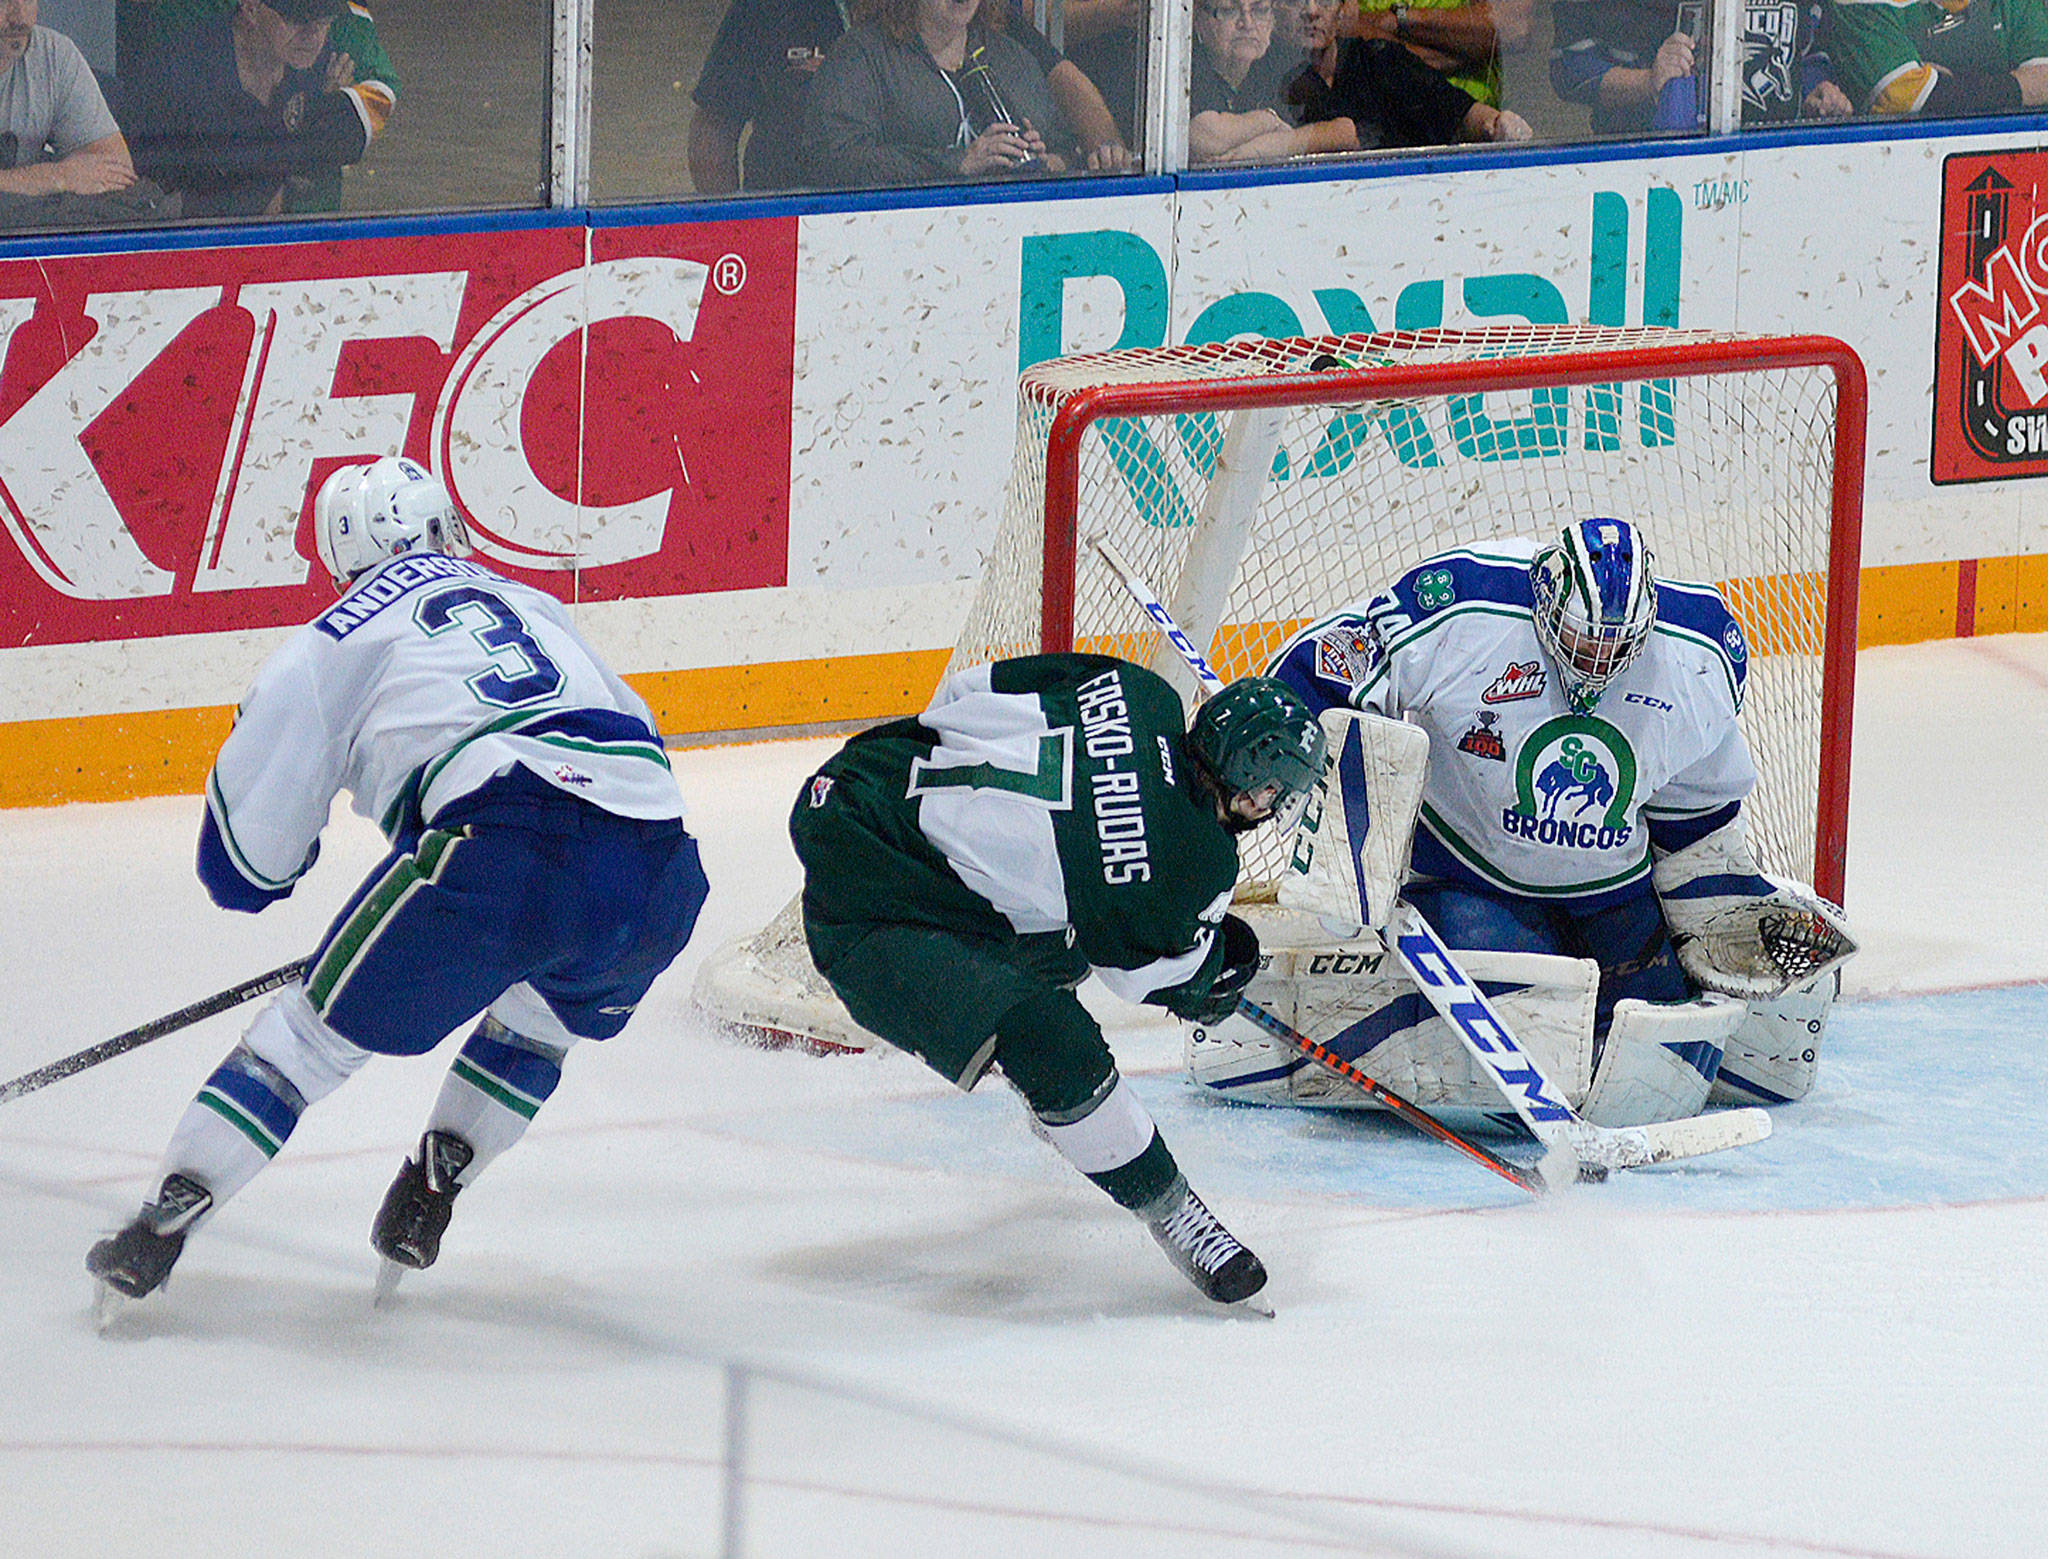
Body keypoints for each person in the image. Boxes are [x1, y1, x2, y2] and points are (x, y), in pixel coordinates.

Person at [86, 456, 710, 1304]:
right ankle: (436, 1180)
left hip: (502, 847)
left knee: (311, 1038)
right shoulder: (533, 603)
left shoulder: (332, 639)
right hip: (661, 868)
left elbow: (242, 869)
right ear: (440, 527)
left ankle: (164, 1219)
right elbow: (638, 739)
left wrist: (320, 865)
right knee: (538, 1022)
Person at [1193, 518, 1853, 1124]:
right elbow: (1329, 665)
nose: (1598, 659)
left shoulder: (1698, 655)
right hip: (1470, 874)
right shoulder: (1459, 607)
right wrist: (1283, 734)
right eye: (1581, 637)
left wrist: (1712, 890)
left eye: (1616, 643)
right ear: (1543, 604)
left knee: (1664, 1057)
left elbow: (1695, 801)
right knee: (1528, 1037)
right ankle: (1355, 1027)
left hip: (1611, 889)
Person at [787, 658, 1327, 1305]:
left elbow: (969, 690)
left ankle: (1063, 1105)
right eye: (1276, 793)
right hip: (868, 916)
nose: (1272, 807)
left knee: (1069, 932)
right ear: (1253, 788)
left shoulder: (1141, 690)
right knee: (1055, 1041)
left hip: (857, 785)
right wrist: (1217, 976)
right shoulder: (1198, 859)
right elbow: (1147, 978)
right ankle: (1171, 1209)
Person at [693, 0, 1125, 193]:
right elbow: (713, 133)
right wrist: (736, 234)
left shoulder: (999, 43)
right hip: (806, 227)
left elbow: (1066, 93)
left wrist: (1071, 160)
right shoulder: (771, 12)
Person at [116, 0, 398, 211]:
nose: (314, 33)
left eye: (325, 18)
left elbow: (368, 108)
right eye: (296, 17)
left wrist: (325, 112)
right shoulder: (186, 65)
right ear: (250, 8)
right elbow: (227, 196)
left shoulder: (329, 54)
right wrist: (308, 133)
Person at [801, 0, 1084, 187]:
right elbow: (834, 160)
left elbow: (1070, 154)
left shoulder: (1013, 58)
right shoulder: (861, 55)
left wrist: (1045, 162)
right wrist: (958, 162)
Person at [1550, 0, 1850, 132]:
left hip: (1779, 169)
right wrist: (1646, 82)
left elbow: (1810, 49)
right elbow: (1570, 66)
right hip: (1652, 177)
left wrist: (1816, 94)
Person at [1283, 0, 1532, 146]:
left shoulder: (1382, 59)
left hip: (1460, 160)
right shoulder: (1375, 58)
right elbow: (1351, 28)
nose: (1312, 10)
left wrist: (1497, 123)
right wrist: (1463, 48)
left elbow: (1507, 30)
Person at [0, 0, 138, 198]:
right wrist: (57, 177)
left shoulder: (53, 54)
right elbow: (62, 177)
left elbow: (116, 169)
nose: (19, 18)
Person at [1188, 0, 1351, 162]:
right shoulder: (1184, 64)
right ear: (1198, 19)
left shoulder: (1283, 62)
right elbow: (1205, 137)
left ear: (1272, 20)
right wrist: (1267, 121)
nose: (1247, 24)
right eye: (1229, 11)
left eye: (1259, 11)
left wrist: (1282, 144)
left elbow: (1346, 131)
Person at [1828, 0, 2048, 116]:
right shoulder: (1860, 3)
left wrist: (1947, 85)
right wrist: (2014, 84)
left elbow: (2045, 82)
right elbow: (1904, 98)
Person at [1345, 0, 1530, 110]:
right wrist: (1461, 45)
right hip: (1372, 131)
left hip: (1472, 133)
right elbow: (1337, 27)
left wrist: (1396, 20)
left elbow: (1510, 27)